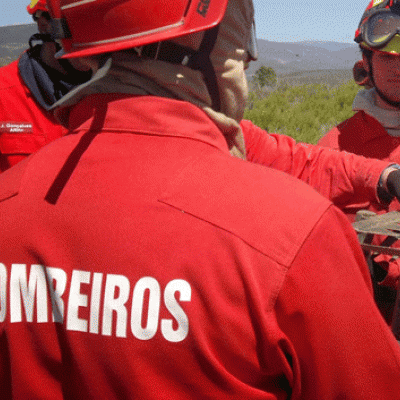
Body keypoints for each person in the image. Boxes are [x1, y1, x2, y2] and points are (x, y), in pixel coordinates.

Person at [1, 0, 400, 398]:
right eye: (238, 40)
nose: (246, 61)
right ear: (202, 47)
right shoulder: (297, 236)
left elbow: (291, 156)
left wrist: (381, 176)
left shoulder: (11, 205)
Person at [318, 0, 400, 296]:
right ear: (366, 62)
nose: (398, 68)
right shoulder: (334, 148)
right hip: (362, 307)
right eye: (387, 58)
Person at [0, 0, 91, 172]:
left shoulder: (119, 92)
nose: (91, 42)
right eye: (79, 27)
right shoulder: (4, 96)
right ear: (44, 26)